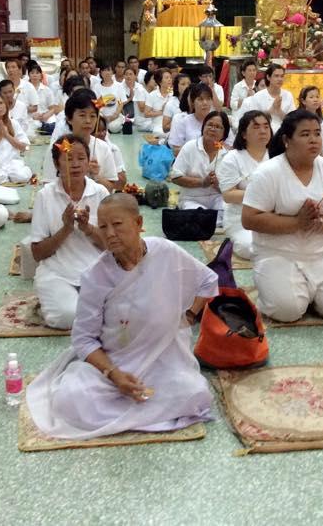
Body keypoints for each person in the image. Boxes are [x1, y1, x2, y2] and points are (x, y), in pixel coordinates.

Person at [26, 193, 218, 439]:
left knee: (195, 393)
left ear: (138, 223)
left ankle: (134, 410)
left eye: (117, 224)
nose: (109, 233)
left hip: (163, 357)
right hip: (113, 360)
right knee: (71, 399)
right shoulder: (96, 276)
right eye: (103, 227)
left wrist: (189, 316)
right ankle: (147, 412)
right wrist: (114, 375)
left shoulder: (165, 251)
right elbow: (83, 340)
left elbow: (208, 280)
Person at [242, 110, 323, 322]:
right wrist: (297, 222)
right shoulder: (268, 172)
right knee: (287, 311)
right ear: (287, 140)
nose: (313, 140)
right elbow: (249, 218)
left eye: (317, 133)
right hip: (277, 254)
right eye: (305, 134)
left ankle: (311, 294)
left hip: (322, 254)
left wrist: (320, 222)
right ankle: (282, 291)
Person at [30, 136, 110, 329]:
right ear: (57, 163)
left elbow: (112, 246)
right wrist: (66, 228)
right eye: (68, 158)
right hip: (57, 272)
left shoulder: (100, 193)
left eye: (81, 158)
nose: (75, 164)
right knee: (68, 316)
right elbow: (38, 253)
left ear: (88, 162)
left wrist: (88, 229)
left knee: (122, 314)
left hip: (96, 270)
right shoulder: (45, 196)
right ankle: (56, 303)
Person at [217, 110, 271, 259]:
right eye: (256, 127)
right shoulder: (232, 158)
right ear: (244, 134)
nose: (263, 131)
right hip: (241, 220)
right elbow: (228, 195)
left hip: (274, 217)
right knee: (250, 247)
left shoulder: (277, 155)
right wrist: (264, 195)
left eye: (266, 126)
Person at [41, 90, 120, 191]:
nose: (88, 121)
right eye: (82, 115)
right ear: (69, 118)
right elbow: (48, 187)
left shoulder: (103, 147)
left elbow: (110, 188)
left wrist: (96, 176)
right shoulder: (59, 148)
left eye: (92, 116)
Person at [170, 111, 229, 216]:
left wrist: (218, 185)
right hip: (191, 199)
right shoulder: (190, 147)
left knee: (228, 212)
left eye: (218, 127)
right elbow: (175, 177)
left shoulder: (226, 154)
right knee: (200, 216)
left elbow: (230, 189)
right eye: (209, 125)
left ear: (224, 133)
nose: (212, 129)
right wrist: (202, 182)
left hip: (217, 198)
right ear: (203, 128)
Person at [240, 64, 294, 132]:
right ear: (268, 77)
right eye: (276, 76)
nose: (280, 79)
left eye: (282, 76)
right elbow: (253, 120)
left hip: (284, 132)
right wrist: (271, 110)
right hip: (263, 132)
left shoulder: (288, 95)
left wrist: (279, 110)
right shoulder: (258, 96)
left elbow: (292, 121)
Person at [168, 82, 214, 154]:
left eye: (208, 99)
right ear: (192, 102)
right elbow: (176, 150)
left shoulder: (218, 121)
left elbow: (227, 147)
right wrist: (198, 149)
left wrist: (214, 147)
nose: (205, 103)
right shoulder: (183, 121)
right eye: (200, 99)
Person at [110, 67, 147, 133]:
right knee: (112, 127)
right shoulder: (119, 87)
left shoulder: (140, 88)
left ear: (135, 76)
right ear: (124, 76)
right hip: (122, 115)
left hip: (137, 116)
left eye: (130, 74)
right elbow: (119, 102)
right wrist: (129, 99)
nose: (128, 76)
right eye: (126, 74)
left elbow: (143, 106)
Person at [29, 62, 60, 132]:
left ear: (41, 76)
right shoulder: (25, 90)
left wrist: (46, 115)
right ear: (29, 75)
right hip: (31, 117)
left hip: (46, 116)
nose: (35, 75)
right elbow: (23, 108)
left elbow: (52, 108)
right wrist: (32, 116)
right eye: (32, 73)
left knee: (53, 123)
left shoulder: (47, 90)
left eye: (37, 73)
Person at [95, 116, 127, 186]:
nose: (102, 134)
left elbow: (122, 183)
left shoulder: (113, 149)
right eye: (98, 131)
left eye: (104, 130)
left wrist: (96, 176)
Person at [140, 69, 172, 134]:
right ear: (160, 81)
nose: (170, 80)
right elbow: (146, 114)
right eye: (166, 78)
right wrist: (162, 111)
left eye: (170, 77)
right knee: (163, 133)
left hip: (171, 125)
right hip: (158, 125)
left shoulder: (173, 94)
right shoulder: (152, 95)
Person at [231, 59, 259, 125]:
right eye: (249, 70)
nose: (252, 73)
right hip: (240, 116)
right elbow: (233, 105)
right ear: (243, 73)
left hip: (255, 115)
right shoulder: (238, 86)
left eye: (254, 70)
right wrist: (246, 99)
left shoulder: (258, 85)